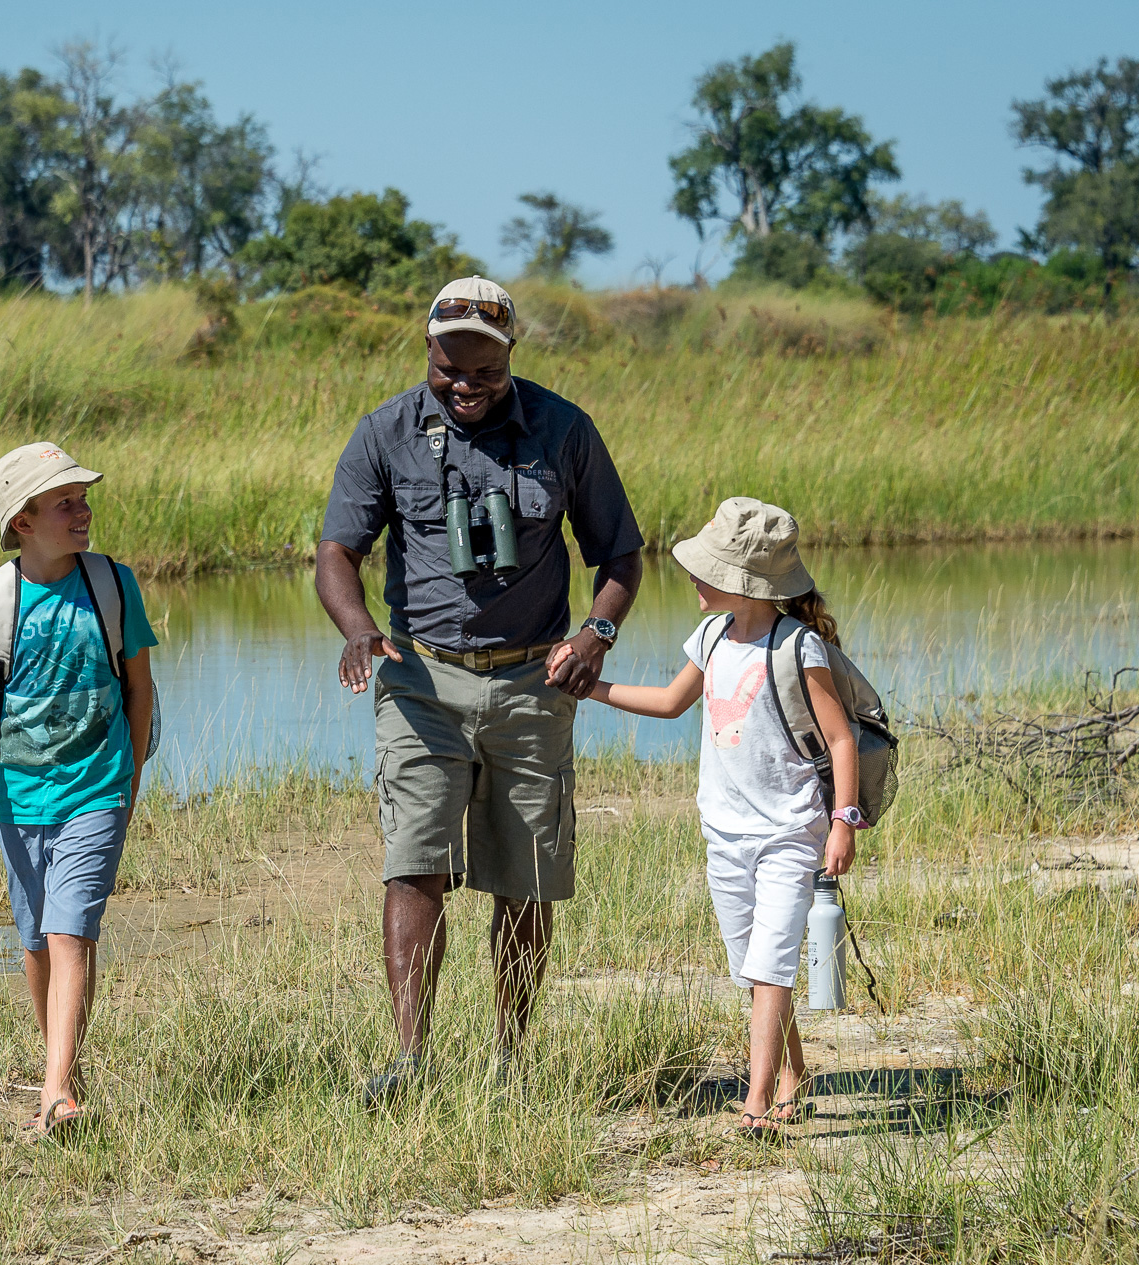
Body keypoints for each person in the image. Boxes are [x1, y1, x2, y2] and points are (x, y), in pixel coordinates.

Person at [316, 276, 645, 1106]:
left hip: (536, 679)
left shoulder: (564, 430)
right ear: (427, 348)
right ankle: (412, 1062)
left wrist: (594, 635)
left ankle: (510, 1062)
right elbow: (335, 554)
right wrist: (358, 628)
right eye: (447, 367)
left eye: (483, 372)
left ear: (509, 354)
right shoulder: (385, 431)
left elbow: (621, 555)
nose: (464, 384)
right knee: (413, 865)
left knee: (525, 878)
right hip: (420, 678)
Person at [568, 497, 858, 1139]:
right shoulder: (712, 636)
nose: (694, 577)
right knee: (753, 968)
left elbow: (841, 741)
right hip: (723, 834)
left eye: (707, 568)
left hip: (789, 830)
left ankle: (757, 1105)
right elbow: (672, 703)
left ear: (744, 581)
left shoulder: (796, 647)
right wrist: (590, 689)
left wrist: (843, 822)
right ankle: (794, 1077)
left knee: (770, 964)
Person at [0, 441, 158, 1138]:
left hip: (97, 791)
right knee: (38, 941)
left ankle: (56, 1091)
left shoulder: (113, 585)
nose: (84, 509)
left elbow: (141, 689)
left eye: (84, 496)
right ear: (24, 520)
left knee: (70, 933)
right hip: (20, 802)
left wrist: (126, 780)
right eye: (66, 501)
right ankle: (63, 1064)